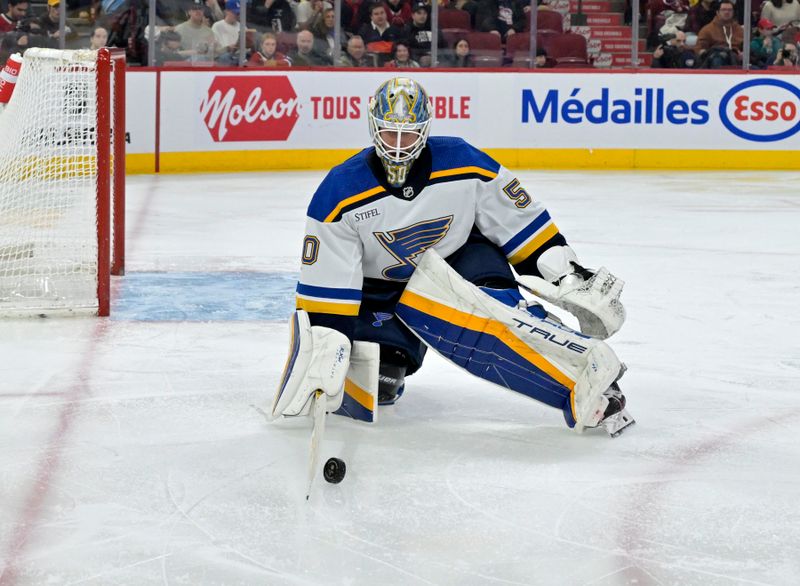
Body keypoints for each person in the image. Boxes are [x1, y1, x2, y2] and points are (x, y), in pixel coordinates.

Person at [271, 77, 633, 439]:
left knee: (492, 313)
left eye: (408, 135)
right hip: (382, 291)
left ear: (425, 130)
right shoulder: (338, 193)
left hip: (459, 262)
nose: (398, 147)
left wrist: (566, 274)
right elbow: (329, 290)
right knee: (380, 381)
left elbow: (520, 222)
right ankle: (397, 349)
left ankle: (584, 369)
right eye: (390, 134)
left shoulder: (464, 162)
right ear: (374, 128)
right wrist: (327, 345)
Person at [695, 0, 743, 68]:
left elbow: (747, 46)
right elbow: (699, 49)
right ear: (717, 12)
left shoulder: (739, 30)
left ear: (733, 12)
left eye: (730, 10)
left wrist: (743, 54)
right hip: (716, 60)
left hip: (737, 59)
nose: (727, 12)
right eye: (723, 10)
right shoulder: (707, 29)